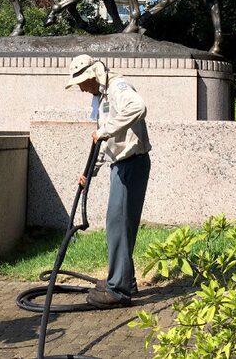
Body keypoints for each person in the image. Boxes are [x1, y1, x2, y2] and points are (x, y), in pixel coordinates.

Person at [65, 54, 151, 309]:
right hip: (121, 165)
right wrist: (90, 172)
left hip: (131, 164)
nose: (80, 88)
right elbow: (106, 142)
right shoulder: (100, 97)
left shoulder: (118, 86)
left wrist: (103, 130)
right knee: (118, 224)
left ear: (92, 76)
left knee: (118, 224)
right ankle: (125, 279)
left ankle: (119, 290)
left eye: (81, 82)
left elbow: (138, 108)